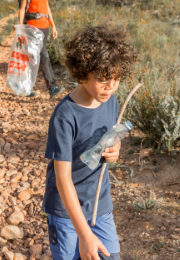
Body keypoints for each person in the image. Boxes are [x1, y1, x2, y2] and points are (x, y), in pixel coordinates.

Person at [42, 25, 138, 260]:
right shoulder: (66, 115)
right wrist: (84, 235)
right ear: (83, 71)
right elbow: (63, 177)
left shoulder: (111, 101)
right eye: (103, 79)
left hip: (99, 203)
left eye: (116, 78)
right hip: (66, 210)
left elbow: (112, 135)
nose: (111, 86)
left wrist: (116, 148)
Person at [17, 0, 64, 99]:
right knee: (41, 55)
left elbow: (47, 7)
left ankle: (29, 88)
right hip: (32, 26)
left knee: (37, 56)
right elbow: (22, 9)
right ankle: (52, 86)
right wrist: (20, 28)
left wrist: (53, 24)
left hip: (45, 26)